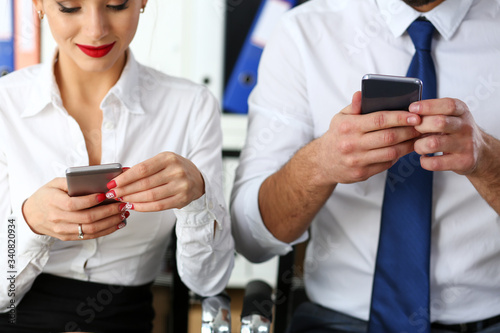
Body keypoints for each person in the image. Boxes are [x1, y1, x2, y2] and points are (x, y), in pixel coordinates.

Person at [231, 0, 500, 332]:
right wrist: (321, 164)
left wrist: (488, 161)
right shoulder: (304, 32)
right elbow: (250, 238)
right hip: (338, 321)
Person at [0, 0, 234, 331]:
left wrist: (197, 198)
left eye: (116, 4)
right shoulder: (5, 105)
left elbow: (209, 282)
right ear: (38, 4)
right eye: (69, 7)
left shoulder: (190, 107)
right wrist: (29, 223)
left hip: (126, 320)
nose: (96, 30)